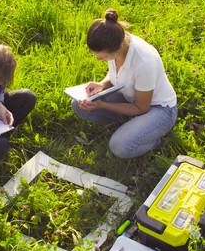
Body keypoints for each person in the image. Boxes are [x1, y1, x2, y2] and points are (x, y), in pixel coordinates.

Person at [71, 9, 177, 159]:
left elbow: (141, 107)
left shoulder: (144, 62)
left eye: (102, 56)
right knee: (78, 105)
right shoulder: (116, 40)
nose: (98, 59)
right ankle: (132, 125)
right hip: (130, 98)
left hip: (159, 109)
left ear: (118, 48)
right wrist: (102, 85)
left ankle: (154, 139)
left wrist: (104, 105)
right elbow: (117, 76)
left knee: (120, 147)